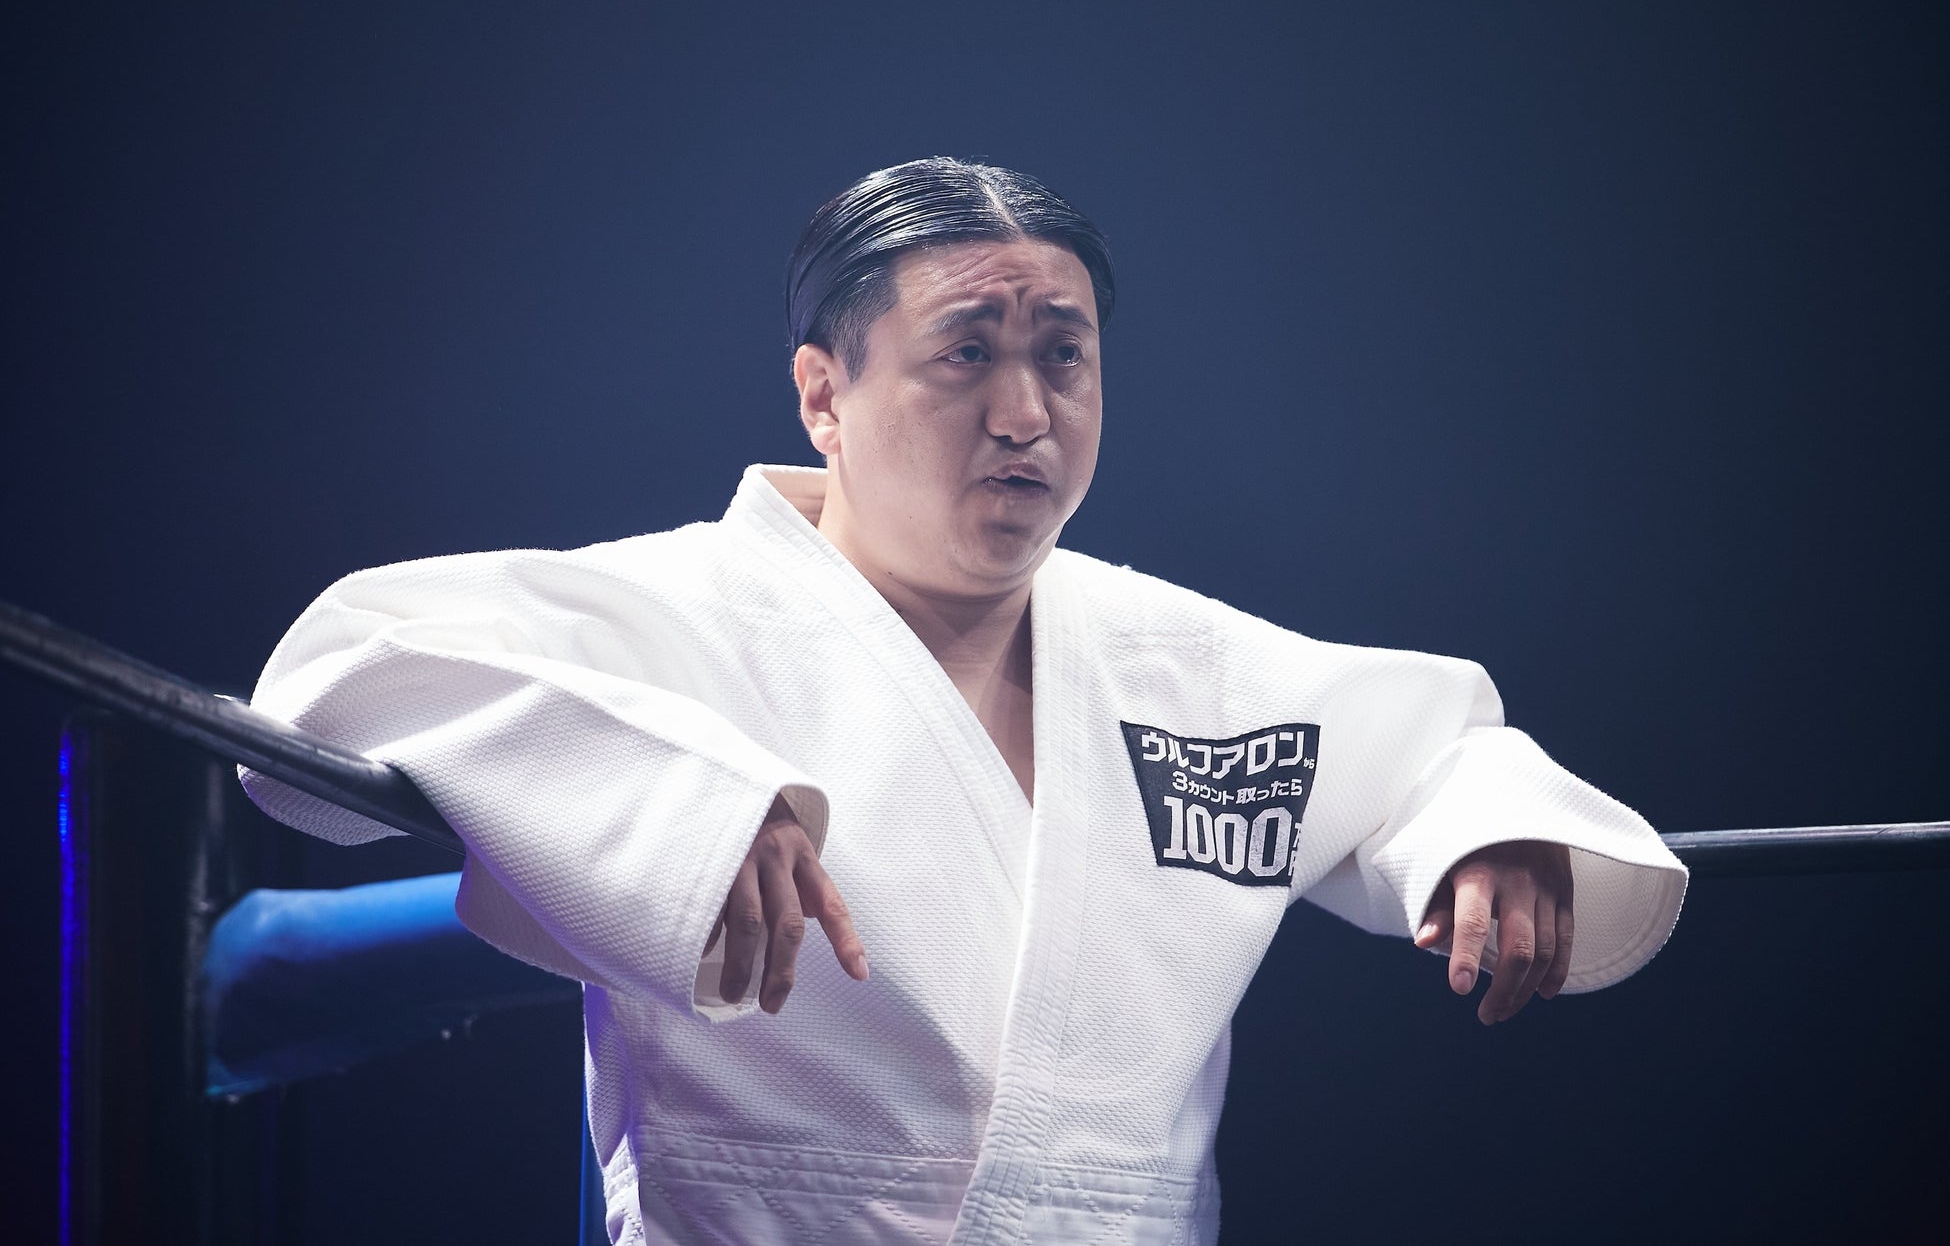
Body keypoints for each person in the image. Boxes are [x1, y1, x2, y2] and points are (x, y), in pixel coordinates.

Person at [241, 157, 1687, 1244]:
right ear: (824, 396)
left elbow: (1428, 744)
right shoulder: (681, 613)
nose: (1025, 413)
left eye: (1063, 354)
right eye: (967, 353)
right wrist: (678, 800)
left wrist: (1488, 833)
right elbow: (335, 673)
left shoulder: (1178, 658)